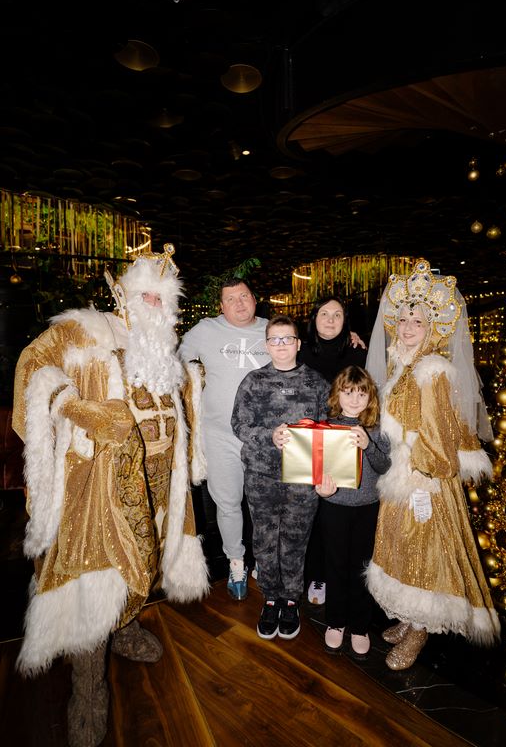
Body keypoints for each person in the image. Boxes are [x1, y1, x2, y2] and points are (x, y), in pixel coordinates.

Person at [12, 244, 209, 747]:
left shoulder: (162, 345)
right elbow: (33, 367)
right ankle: (89, 686)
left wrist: (193, 383)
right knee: (95, 574)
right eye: (147, 295)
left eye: (163, 299)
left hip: (159, 481)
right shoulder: (85, 330)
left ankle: (124, 625)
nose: (154, 305)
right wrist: (81, 410)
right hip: (98, 485)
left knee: (144, 561)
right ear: (123, 294)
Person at [365, 258, 500, 671]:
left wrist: (421, 477)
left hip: (424, 479)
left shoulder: (432, 370)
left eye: (417, 322)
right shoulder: (402, 365)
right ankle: (409, 617)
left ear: (432, 328)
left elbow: (440, 437)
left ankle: (422, 627)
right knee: (402, 548)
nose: (407, 327)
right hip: (400, 474)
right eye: (404, 319)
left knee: (426, 553)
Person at [231, 314, 331, 640]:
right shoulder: (253, 381)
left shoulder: (317, 384)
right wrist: (269, 436)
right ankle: (270, 598)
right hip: (261, 476)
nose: (281, 345)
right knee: (263, 540)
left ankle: (290, 600)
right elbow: (239, 424)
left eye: (287, 338)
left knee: (295, 541)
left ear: (298, 344)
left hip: (302, 479)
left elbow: (328, 430)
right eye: (275, 339)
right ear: (266, 345)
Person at [179, 278, 270, 601]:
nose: (239, 303)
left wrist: (349, 338)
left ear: (254, 299)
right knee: (228, 503)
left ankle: (265, 561)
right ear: (221, 307)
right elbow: (174, 360)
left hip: (264, 438)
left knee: (265, 505)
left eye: (244, 296)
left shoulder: (273, 330)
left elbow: (305, 355)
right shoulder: (206, 330)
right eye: (231, 299)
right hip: (220, 435)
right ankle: (236, 562)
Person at [315, 365, 391, 658]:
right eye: (348, 393)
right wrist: (320, 489)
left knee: (361, 567)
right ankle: (335, 622)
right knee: (335, 565)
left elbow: (385, 466)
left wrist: (368, 446)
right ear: (338, 394)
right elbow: (314, 468)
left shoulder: (377, 427)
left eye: (361, 393)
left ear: (370, 396)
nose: (355, 400)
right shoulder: (327, 427)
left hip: (367, 507)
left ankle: (360, 626)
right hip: (334, 506)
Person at [299, 296, 367, 606]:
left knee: (334, 512)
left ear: (345, 321)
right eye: (324, 314)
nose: (330, 320)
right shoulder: (300, 350)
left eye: (337, 315)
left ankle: (335, 577)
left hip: (342, 439)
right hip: (309, 438)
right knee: (310, 511)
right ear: (313, 318)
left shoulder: (357, 352)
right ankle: (314, 573)